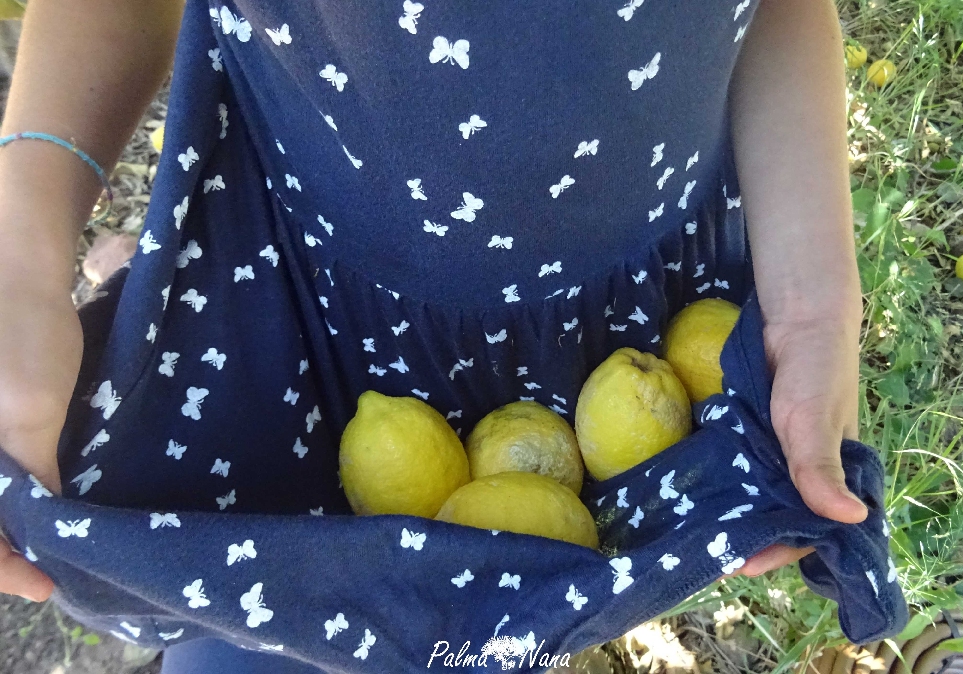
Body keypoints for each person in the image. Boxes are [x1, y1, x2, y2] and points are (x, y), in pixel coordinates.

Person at [0, 0, 869, 670]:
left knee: (527, 607)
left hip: (631, 310)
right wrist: (21, 259)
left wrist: (813, 301)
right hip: (310, 311)